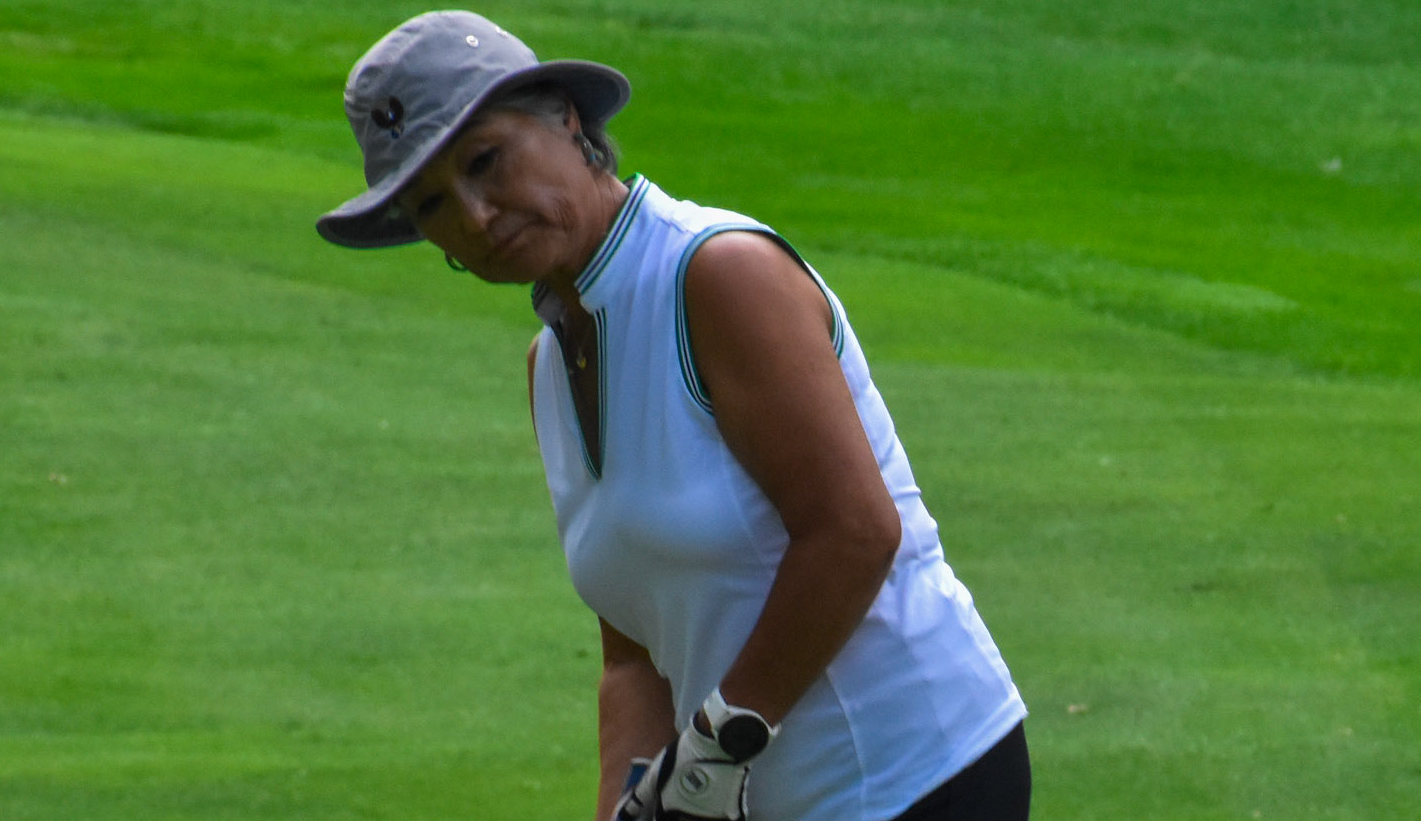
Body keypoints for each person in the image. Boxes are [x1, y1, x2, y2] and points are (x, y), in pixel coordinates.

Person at [317, 10, 1030, 821]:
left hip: (917, 776)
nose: (476, 216)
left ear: (567, 122)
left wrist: (715, 747)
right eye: (433, 204)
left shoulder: (717, 272)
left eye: (487, 161)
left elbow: (854, 532)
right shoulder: (549, 367)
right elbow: (633, 658)